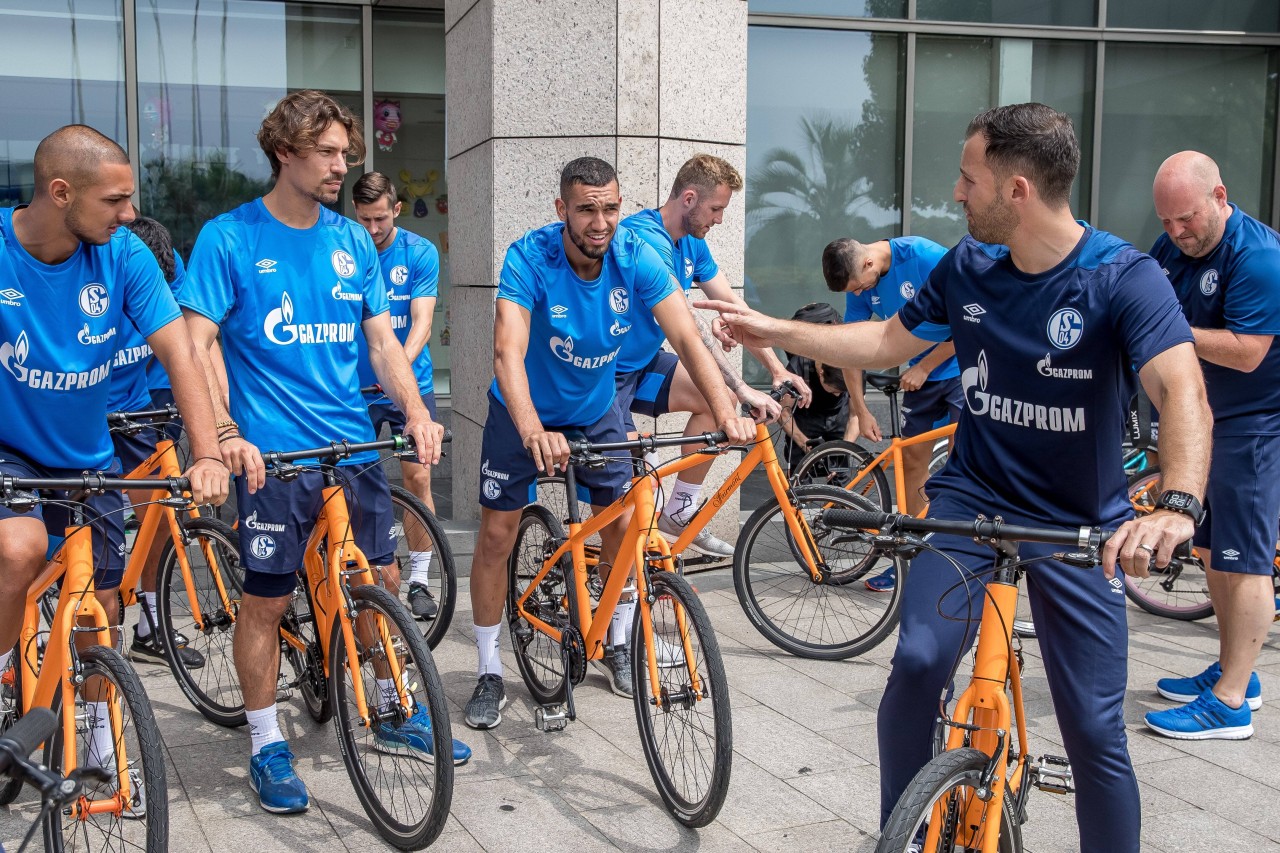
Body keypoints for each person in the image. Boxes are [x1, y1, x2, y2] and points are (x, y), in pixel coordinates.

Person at [697, 103, 1212, 852]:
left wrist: (1178, 504)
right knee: (917, 663)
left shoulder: (1120, 279)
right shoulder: (966, 266)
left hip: (1078, 520)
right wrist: (770, 330)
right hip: (971, 499)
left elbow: (1183, 392)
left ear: (1018, 190)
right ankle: (902, 833)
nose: (956, 193)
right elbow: (881, 338)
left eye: (970, 179)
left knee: (1096, 730)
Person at [179, 90, 468, 815]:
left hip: (352, 444)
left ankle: (390, 704)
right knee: (268, 600)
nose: (344, 165)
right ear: (285, 152)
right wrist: (222, 434)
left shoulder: (349, 240)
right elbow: (198, 344)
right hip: (272, 456)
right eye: (330, 152)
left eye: (347, 152)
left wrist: (414, 412)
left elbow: (382, 342)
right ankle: (264, 740)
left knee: (381, 577)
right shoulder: (229, 237)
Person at [464, 156, 753, 726]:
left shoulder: (635, 256)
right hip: (523, 412)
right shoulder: (530, 256)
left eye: (611, 208)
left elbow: (687, 337)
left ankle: (618, 639)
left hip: (595, 410)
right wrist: (532, 431)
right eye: (587, 209)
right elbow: (508, 352)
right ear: (562, 210)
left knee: (621, 523)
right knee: (497, 533)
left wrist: (728, 410)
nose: (600, 222)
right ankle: (488, 667)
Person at [0, 125, 227, 773]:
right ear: (61, 192)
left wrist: (208, 451)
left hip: (86, 455)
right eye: (116, 200)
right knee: (17, 551)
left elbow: (180, 350)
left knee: (101, 608)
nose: (130, 213)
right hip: (10, 450)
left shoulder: (123, 254)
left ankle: (100, 730)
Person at [1143, 151, 1280, 740]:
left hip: (1254, 426)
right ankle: (1235, 670)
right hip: (1201, 422)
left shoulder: (1261, 257)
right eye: (1167, 221)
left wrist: (1168, 331)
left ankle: (1230, 705)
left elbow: (1248, 352)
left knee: (1245, 560)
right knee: (1211, 553)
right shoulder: (1170, 247)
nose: (1176, 233)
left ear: (1220, 196)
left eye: (1188, 219)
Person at [615, 154, 798, 559]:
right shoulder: (645, 238)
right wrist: (743, 385)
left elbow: (733, 307)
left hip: (642, 364)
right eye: (716, 209)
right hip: (605, 375)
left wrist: (777, 368)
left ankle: (679, 513)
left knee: (716, 401)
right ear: (689, 198)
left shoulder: (692, 244)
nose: (719, 219)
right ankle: (643, 598)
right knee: (635, 503)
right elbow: (689, 331)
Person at [822, 235, 958, 592]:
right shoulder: (860, 286)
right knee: (912, 463)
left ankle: (960, 559)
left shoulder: (925, 256)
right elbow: (852, 349)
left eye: (858, 287)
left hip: (965, 368)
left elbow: (973, 320)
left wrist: (926, 366)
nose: (857, 294)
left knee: (966, 466)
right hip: (920, 379)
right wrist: (860, 407)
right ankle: (910, 557)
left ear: (868, 263)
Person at [110, 215, 205, 667]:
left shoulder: (164, 262)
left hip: (140, 402)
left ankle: (149, 628)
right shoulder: (104, 269)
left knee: (158, 517)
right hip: (87, 412)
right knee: (82, 529)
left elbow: (187, 341)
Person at [350, 171, 442, 621]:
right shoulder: (344, 247)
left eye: (380, 219)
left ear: (397, 210)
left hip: (409, 386)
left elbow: (422, 323)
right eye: (364, 219)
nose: (371, 229)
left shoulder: (419, 252)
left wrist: (395, 374)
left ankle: (421, 579)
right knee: (352, 484)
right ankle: (362, 575)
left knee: (418, 479)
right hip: (353, 390)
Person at [776, 302, 849, 468]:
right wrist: (804, 443)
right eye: (834, 390)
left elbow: (857, 415)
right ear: (821, 373)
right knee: (800, 473)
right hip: (805, 417)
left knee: (841, 475)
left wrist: (845, 449)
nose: (837, 395)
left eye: (842, 392)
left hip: (839, 417)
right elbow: (783, 411)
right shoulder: (799, 366)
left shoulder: (854, 362)